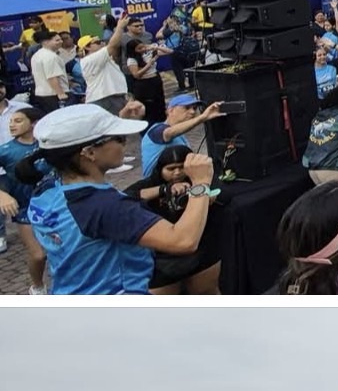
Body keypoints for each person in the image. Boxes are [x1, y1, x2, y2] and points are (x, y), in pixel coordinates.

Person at [18, 104, 215, 295]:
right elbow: (183, 241)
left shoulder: (46, 188)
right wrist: (200, 183)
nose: (125, 143)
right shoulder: (104, 206)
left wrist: (116, 120)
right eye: (119, 138)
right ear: (90, 152)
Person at [123, 145, 222, 294]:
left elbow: (220, 192)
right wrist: (164, 190)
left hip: (200, 250)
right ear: (160, 169)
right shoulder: (150, 184)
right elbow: (125, 198)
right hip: (163, 259)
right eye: (171, 169)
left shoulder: (203, 180)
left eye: (182, 167)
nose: (177, 173)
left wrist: (203, 195)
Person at [0, 103, 46, 293]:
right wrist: (2, 194)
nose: (12, 125)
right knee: (38, 255)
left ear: (34, 123)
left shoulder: (47, 144)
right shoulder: (5, 150)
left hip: (52, 204)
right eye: (11, 121)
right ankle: (37, 287)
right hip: (25, 208)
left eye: (18, 121)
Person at [140, 93, 224, 177]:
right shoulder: (157, 129)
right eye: (186, 108)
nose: (192, 112)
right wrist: (203, 117)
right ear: (170, 110)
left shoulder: (180, 135)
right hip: (157, 182)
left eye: (194, 108)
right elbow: (168, 132)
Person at [29, 30, 68, 116]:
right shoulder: (50, 56)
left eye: (60, 39)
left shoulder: (36, 55)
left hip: (42, 94)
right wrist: (61, 94)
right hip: (53, 94)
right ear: (46, 42)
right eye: (57, 40)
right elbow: (52, 77)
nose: (61, 41)